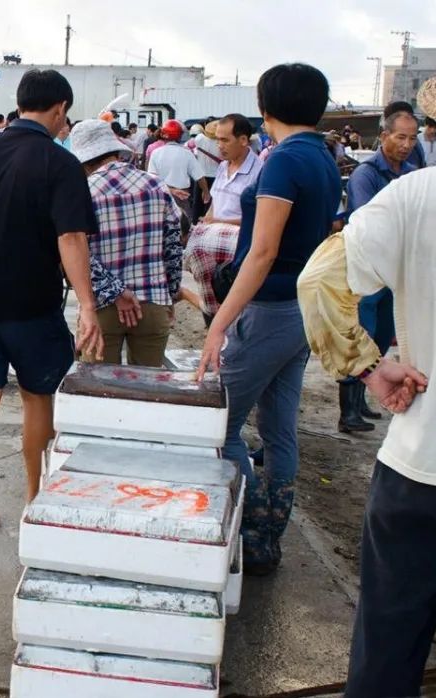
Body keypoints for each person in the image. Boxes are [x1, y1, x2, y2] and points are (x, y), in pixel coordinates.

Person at [195, 63, 340, 576]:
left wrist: (218, 324)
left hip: (270, 306)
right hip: (302, 306)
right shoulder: (322, 158)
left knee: (222, 424)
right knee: (279, 428)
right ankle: (268, 536)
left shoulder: (282, 162)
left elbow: (261, 253)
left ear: (264, 107)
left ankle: (253, 524)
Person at [296, 168, 435, 698]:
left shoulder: (418, 193)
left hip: (420, 465)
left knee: (387, 655)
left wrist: (368, 368)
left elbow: (318, 282)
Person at [0, 68, 103, 539]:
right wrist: (87, 306)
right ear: (59, 110)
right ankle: (35, 498)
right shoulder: (59, 161)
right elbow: (71, 237)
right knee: (39, 396)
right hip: (31, 302)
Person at [70, 120, 181, 366]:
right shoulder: (156, 185)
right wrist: (170, 295)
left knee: (98, 390)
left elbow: (76, 254)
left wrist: (116, 292)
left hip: (101, 309)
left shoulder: (82, 192)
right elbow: (173, 250)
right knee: (147, 391)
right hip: (152, 303)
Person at [335, 107, 419, 433]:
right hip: (367, 272)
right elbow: (368, 221)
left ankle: (362, 402)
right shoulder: (366, 175)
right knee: (362, 337)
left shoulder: (412, 172)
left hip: (394, 272)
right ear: (384, 137)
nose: (407, 144)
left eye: (412, 138)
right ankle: (347, 413)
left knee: (383, 336)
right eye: (400, 137)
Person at [184, 114, 264, 324]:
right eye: (217, 140)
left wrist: (218, 224)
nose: (219, 145)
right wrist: (208, 220)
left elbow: (259, 221)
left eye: (225, 140)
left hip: (236, 253)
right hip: (214, 250)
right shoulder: (222, 167)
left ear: (244, 140)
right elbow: (215, 205)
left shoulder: (259, 173)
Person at [148, 118, 209, 221]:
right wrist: (206, 192)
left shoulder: (156, 153)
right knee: (183, 228)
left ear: (163, 134)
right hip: (183, 197)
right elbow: (200, 177)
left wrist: (171, 190)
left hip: (163, 196)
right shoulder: (187, 153)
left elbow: (152, 179)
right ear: (180, 135)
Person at [191, 120, 221, 221]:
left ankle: (195, 222)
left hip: (200, 175)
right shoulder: (220, 143)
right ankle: (208, 221)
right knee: (213, 202)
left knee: (197, 201)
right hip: (216, 175)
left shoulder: (199, 139)